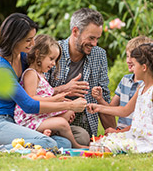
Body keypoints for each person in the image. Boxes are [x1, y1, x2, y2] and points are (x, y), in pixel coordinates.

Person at [0, 13, 87, 150]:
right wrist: (70, 105)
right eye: (28, 40)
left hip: (15, 122)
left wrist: (63, 89)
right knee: (49, 143)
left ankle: (9, 144)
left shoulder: (22, 58)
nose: (32, 44)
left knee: (64, 144)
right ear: (14, 39)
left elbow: (34, 91)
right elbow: (28, 104)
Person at [87, 43, 153, 156]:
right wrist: (98, 108)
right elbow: (125, 111)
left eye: (134, 65)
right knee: (102, 142)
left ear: (144, 67)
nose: (132, 69)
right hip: (136, 136)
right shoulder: (142, 87)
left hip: (149, 143)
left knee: (107, 147)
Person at [46, 8, 115, 146]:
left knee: (83, 137)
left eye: (97, 38)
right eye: (91, 38)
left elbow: (105, 103)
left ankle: (53, 142)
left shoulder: (99, 55)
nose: (95, 43)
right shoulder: (52, 51)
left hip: (82, 128)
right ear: (75, 31)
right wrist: (65, 89)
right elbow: (35, 95)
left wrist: (112, 131)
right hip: (50, 120)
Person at [14, 34, 88, 148]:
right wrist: (54, 99)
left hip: (40, 116)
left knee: (69, 112)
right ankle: (76, 145)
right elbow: (31, 98)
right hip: (30, 119)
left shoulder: (41, 75)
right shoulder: (30, 74)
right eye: (51, 59)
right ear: (38, 54)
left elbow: (44, 95)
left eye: (55, 60)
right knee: (62, 123)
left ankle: (48, 132)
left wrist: (62, 99)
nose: (53, 63)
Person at [92, 36, 153, 135]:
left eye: (132, 57)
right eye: (127, 56)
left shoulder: (148, 86)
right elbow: (112, 110)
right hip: (121, 131)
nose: (128, 61)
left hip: (138, 132)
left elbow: (142, 123)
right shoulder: (125, 80)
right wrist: (100, 99)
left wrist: (118, 133)